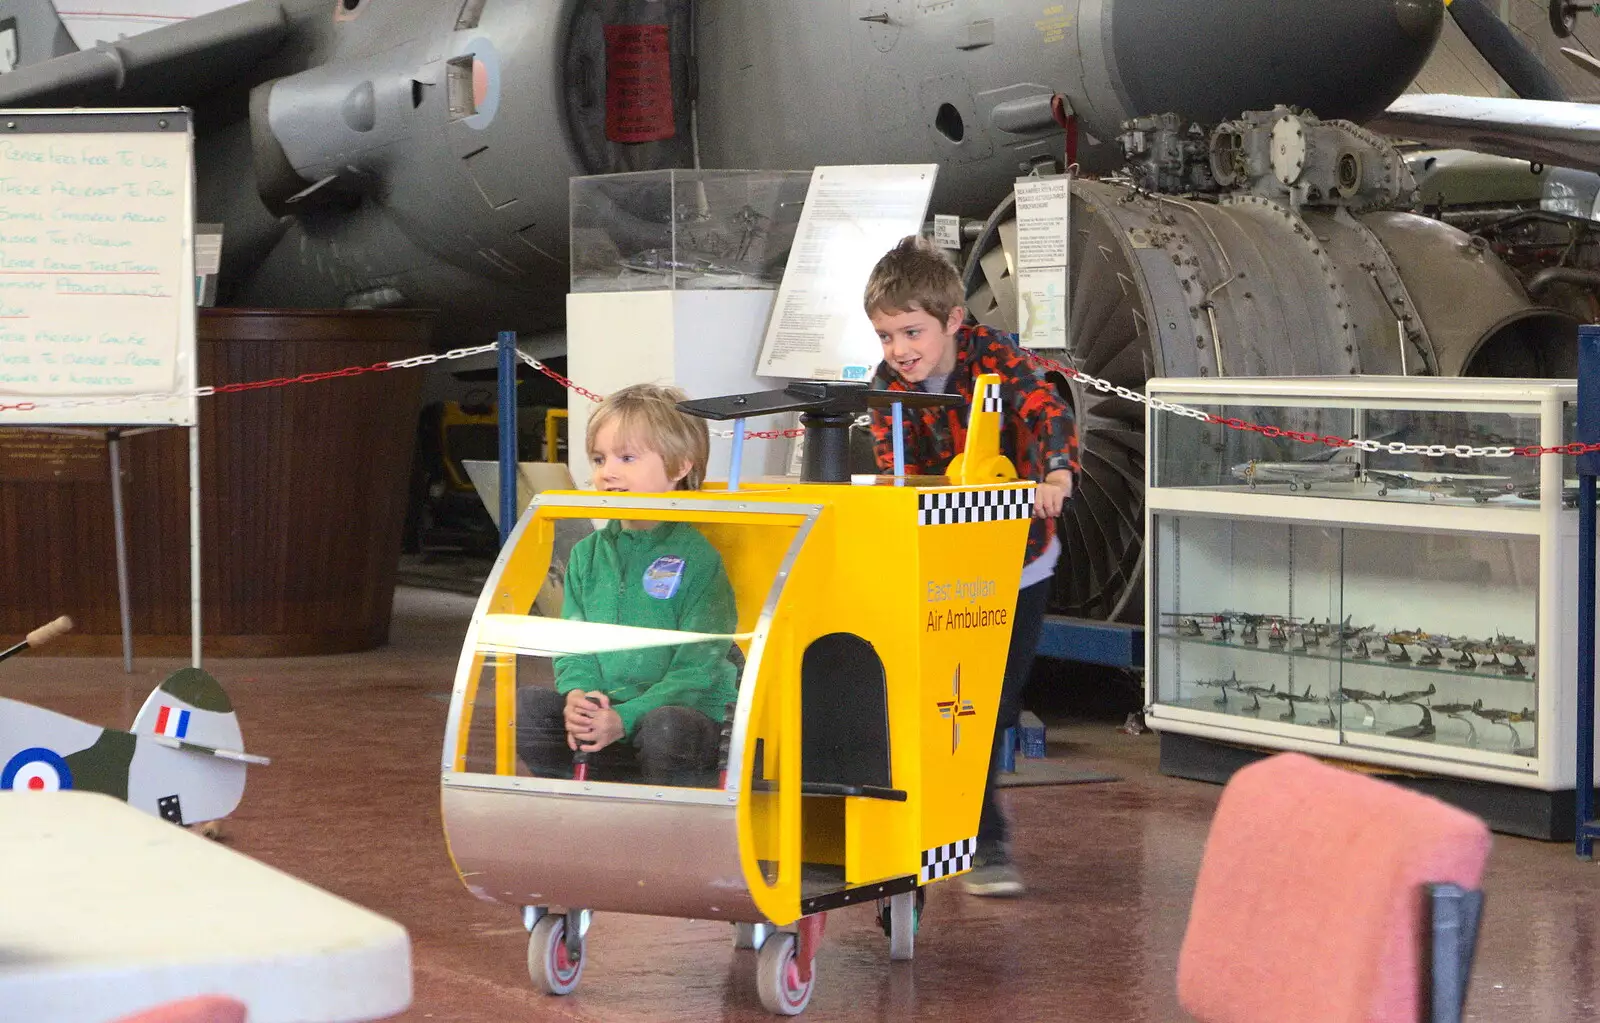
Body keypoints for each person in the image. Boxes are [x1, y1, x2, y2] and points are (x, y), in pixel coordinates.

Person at [864, 234, 1078, 896]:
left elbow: (1044, 409)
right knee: (945, 700)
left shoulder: (998, 360)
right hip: (942, 571)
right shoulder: (884, 391)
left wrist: (1056, 470)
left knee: (990, 704)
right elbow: (890, 470)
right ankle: (954, 837)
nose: (900, 350)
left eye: (911, 331)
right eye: (885, 335)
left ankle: (983, 839)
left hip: (1018, 566)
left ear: (953, 320)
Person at [515, 383, 739, 788]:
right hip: (612, 714)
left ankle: (662, 823)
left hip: (684, 719)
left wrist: (626, 717)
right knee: (530, 706)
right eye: (599, 459)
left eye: (627, 458)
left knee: (666, 726)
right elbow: (574, 645)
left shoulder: (700, 558)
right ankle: (582, 805)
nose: (607, 473)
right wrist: (581, 698)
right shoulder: (586, 554)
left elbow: (697, 671)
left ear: (680, 467)